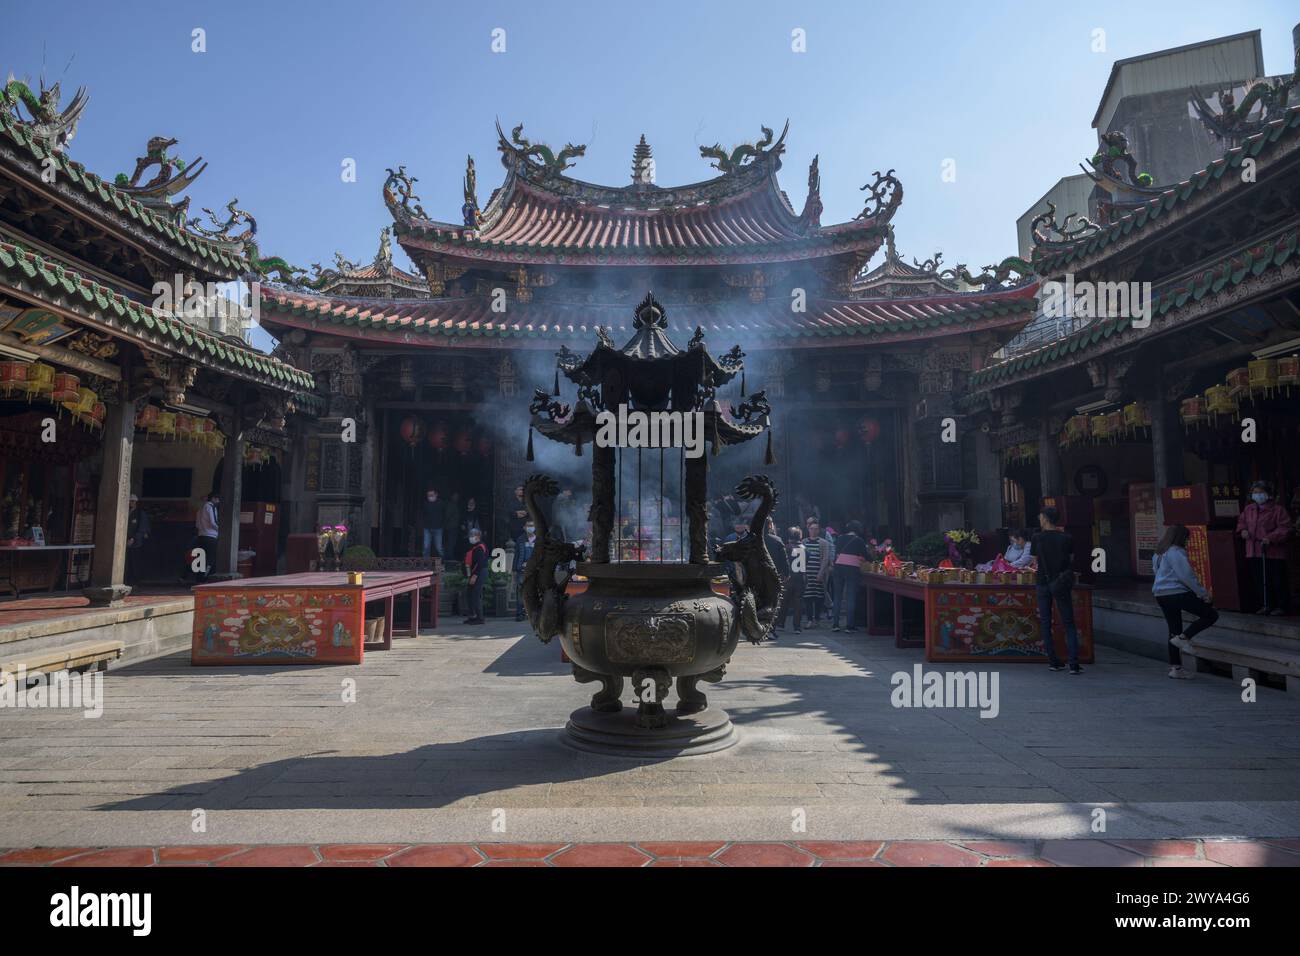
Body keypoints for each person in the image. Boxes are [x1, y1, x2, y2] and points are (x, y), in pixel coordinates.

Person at [1152, 524, 1217, 680]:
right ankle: (1185, 637)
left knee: (1173, 629)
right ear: (1181, 537)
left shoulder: (1159, 552)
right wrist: (1202, 594)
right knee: (1211, 615)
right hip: (1176, 592)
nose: (1187, 541)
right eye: (1187, 538)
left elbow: (1156, 572)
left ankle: (1176, 668)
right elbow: (1186, 576)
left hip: (1161, 594)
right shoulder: (1175, 552)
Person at [1032, 506, 1083, 674]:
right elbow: (1071, 560)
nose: (1039, 519)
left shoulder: (1037, 538)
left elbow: (1034, 561)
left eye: (1040, 516)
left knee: (1046, 622)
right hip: (1060, 582)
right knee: (1068, 622)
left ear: (1045, 518)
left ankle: (1053, 661)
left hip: (1042, 582)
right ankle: (1074, 663)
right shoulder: (1066, 538)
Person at [1236, 480, 1291, 616]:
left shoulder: (1278, 510)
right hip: (1253, 550)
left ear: (1268, 494)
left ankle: (1281, 606)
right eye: (1255, 493)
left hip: (1273, 551)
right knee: (1260, 579)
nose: (1258, 495)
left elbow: (1285, 527)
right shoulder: (1249, 509)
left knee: (1277, 579)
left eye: (1261, 492)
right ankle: (1265, 604)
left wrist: (1271, 538)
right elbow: (1241, 522)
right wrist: (1243, 530)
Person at [830, 520, 868, 632]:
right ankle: (849, 626)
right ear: (858, 529)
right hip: (852, 569)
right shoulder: (859, 540)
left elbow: (836, 552)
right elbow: (865, 555)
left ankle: (835, 625)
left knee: (837, 596)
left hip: (838, 568)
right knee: (850, 597)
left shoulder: (840, 538)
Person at [764, 517, 790, 639]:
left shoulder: (752, 540)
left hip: (755, 577)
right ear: (770, 525)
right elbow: (784, 560)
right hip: (774, 576)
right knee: (774, 603)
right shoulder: (777, 540)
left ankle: (760, 627)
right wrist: (786, 573)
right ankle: (771, 628)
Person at [802, 519, 830, 628]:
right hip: (807, 574)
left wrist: (821, 572)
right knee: (808, 597)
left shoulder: (824, 542)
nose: (813, 531)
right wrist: (803, 573)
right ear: (808, 529)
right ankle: (809, 620)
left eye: (816, 529)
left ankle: (817, 619)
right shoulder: (804, 542)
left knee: (819, 597)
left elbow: (825, 559)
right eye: (811, 529)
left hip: (819, 574)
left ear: (819, 530)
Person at [777, 527, 805, 633]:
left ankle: (781, 623)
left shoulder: (786, 548)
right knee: (798, 603)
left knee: (784, 601)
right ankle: (797, 627)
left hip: (787, 578)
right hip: (800, 578)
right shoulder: (804, 548)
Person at [513, 519, 537, 622]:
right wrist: (514, 568)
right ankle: (520, 613)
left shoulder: (539, 540)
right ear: (524, 528)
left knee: (534, 591)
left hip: (535, 570)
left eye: (532, 525)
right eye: (528, 525)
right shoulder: (520, 539)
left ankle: (533, 613)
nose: (530, 527)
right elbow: (517, 555)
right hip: (522, 570)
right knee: (520, 592)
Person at [463, 528, 488, 625]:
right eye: (470, 536)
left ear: (478, 536)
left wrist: (474, 576)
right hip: (474, 572)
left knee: (476, 595)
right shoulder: (474, 546)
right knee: (470, 593)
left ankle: (480, 617)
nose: (470, 538)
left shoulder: (480, 547)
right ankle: (472, 615)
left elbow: (480, 563)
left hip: (479, 573)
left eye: (472, 536)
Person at [193, 492, 219, 583]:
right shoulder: (211, 507)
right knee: (211, 559)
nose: (218, 501)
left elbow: (197, 524)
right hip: (211, 536)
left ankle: (199, 579)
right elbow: (213, 522)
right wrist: (220, 530)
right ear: (214, 498)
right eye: (218, 499)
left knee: (201, 559)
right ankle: (206, 578)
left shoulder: (200, 509)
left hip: (201, 535)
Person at [126, 494, 150, 586]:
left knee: (135, 562)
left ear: (136, 502)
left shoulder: (140, 514)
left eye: (132, 501)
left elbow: (142, 528)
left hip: (136, 543)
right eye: (129, 501)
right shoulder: (126, 512)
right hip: (126, 542)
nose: (130, 503)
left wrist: (134, 538)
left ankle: (136, 581)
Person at [420, 488, 444, 559]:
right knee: (426, 546)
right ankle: (425, 564)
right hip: (427, 528)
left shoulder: (441, 503)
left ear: (436, 495)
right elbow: (423, 514)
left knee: (439, 548)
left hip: (438, 529)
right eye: (428, 495)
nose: (430, 496)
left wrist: (442, 524)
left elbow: (444, 514)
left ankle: (442, 563)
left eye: (431, 495)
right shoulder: (425, 504)